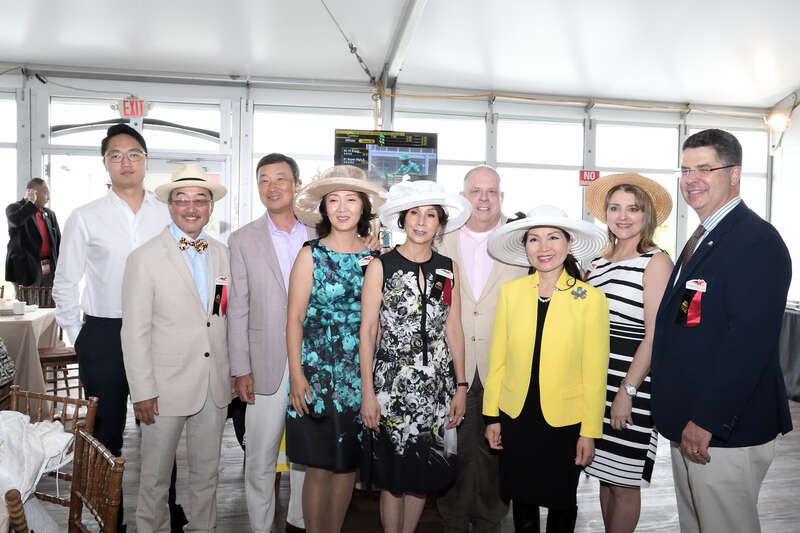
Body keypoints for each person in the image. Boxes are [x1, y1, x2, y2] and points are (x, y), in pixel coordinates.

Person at [650, 129, 793, 533]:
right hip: (692, 422)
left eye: (704, 169)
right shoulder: (705, 237)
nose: (691, 179)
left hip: (723, 430)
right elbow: (687, 317)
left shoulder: (755, 241)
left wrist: (707, 420)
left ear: (734, 173)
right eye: (685, 170)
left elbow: (749, 343)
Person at [52, 124, 171, 531]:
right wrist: (81, 338)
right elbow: (65, 282)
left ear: (146, 161)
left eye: (133, 154)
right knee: (106, 435)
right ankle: (110, 519)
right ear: (105, 163)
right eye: (115, 155)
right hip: (104, 334)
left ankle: (166, 515)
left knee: (163, 432)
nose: (126, 162)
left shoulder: (166, 213)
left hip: (159, 333)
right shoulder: (86, 216)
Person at [483, 205, 609, 533]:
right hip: (516, 416)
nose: (544, 247)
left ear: (569, 243)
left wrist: (589, 431)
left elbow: (596, 374)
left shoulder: (590, 299)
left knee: (562, 501)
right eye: (534, 239)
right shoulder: (511, 293)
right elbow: (498, 360)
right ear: (525, 246)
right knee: (522, 499)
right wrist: (491, 416)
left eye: (553, 237)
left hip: (565, 421)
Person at [121, 164, 231, 532]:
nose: (191, 207)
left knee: (207, 475)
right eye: (182, 199)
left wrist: (230, 373)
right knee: (154, 479)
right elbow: (134, 332)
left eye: (200, 200)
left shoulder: (222, 254)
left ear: (210, 207)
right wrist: (142, 390)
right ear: (170, 205)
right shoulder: (144, 258)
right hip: (162, 389)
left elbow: (219, 314)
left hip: (213, 385)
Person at [359, 179, 471, 533]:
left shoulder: (448, 268)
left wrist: (461, 386)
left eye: (431, 215)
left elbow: (453, 327)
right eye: (414, 214)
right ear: (403, 219)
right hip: (391, 387)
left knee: (422, 476)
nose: (422, 222)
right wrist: (367, 393)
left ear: (440, 223)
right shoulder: (381, 266)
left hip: (436, 388)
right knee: (393, 479)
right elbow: (368, 332)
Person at [285, 165, 386, 533]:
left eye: (351, 200)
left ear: (363, 207)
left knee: (347, 465)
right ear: (324, 208)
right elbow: (294, 319)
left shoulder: (375, 258)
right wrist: (297, 376)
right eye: (334, 200)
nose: (342, 208)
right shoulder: (310, 254)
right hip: (316, 371)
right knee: (318, 465)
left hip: (359, 372)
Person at [437, 165, 527, 532]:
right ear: (463, 197)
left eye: (491, 191)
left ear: (501, 197)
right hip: (453, 360)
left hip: (504, 362)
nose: (484, 198)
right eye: (476, 191)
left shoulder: (520, 242)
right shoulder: (441, 239)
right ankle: (453, 517)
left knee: (496, 449)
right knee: (453, 445)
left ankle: (492, 517)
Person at [582, 173, 674, 533]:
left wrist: (627, 391)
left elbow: (655, 336)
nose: (623, 216)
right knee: (605, 476)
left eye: (632, 209)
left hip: (632, 382)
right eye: (615, 208)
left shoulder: (655, 261)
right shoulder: (598, 262)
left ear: (646, 214)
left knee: (624, 481)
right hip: (596, 382)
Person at [228, 153, 310, 533]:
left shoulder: (320, 233)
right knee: (259, 458)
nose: (272, 187)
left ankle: (299, 523)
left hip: (313, 362)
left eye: (280, 178)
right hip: (264, 365)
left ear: (297, 184)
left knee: (307, 458)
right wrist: (240, 368)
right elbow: (237, 308)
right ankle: (261, 528)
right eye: (264, 179)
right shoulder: (242, 239)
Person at [5, 178, 61, 304]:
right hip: (26, 271)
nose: (49, 198)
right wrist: (30, 203)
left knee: (49, 307)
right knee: (29, 309)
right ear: (33, 192)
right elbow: (16, 221)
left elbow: (58, 243)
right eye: (46, 193)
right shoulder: (14, 208)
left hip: (49, 269)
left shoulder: (49, 214)